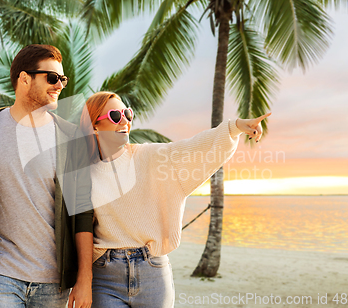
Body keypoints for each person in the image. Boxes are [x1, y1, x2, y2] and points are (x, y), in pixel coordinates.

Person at [80, 91, 271, 308]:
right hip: (105, 277)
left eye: (127, 114)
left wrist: (234, 126)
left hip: (152, 272)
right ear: (94, 126)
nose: (124, 121)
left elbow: (193, 148)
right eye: (115, 116)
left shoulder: (150, 157)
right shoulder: (85, 173)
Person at [0, 44, 94, 308]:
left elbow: (83, 212)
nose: (60, 85)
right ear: (24, 78)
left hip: (54, 280)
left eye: (62, 79)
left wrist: (84, 278)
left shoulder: (71, 137)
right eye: (52, 78)